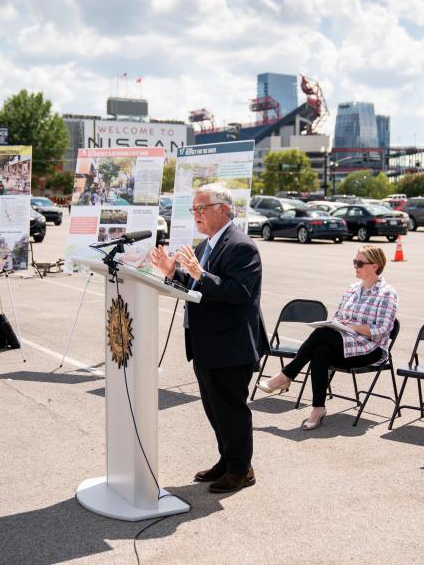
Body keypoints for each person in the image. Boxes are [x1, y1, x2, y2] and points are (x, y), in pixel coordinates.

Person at [149, 183, 269, 494]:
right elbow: (192, 286)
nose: (196, 214)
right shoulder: (203, 247)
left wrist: (201, 275)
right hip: (204, 343)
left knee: (231, 409)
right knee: (215, 410)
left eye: (202, 208)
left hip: (231, 345)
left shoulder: (242, 246)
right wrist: (171, 273)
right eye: (194, 209)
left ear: (224, 209)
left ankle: (242, 470)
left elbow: (239, 293)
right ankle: (228, 460)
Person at [256, 244, 398, 431]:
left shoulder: (387, 293)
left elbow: (384, 330)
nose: (355, 266)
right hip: (345, 343)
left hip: (370, 349)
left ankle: (286, 375)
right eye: (354, 262)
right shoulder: (351, 289)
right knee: (320, 351)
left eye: (360, 263)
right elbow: (339, 317)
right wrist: (339, 325)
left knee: (322, 335)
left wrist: (352, 327)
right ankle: (318, 408)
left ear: (375, 265)